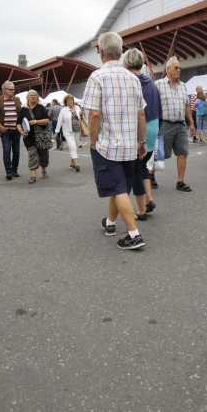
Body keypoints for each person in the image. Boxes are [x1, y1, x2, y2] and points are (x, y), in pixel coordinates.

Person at [83, 32, 147, 250]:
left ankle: (134, 234)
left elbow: (94, 114)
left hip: (107, 145)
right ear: (120, 51)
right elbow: (141, 114)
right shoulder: (133, 78)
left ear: (101, 52)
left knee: (118, 188)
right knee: (120, 186)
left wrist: (93, 141)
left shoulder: (97, 77)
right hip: (129, 145)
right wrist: (141, 141)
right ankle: (110, 223)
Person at [123, 49, 161, 219]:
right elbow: (159, 108)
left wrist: (140, 139)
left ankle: (141, 210)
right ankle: (149, 199)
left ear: (126, 63)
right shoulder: (151, 83)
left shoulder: (131, 82)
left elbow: (136, 112)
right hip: (154, 127)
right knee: (143, 165)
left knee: (135, 171)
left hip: (141, 129)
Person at [155, 56, 195, 192]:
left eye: (180, 68)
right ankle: (151, 176)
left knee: (182, 152)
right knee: (160, 154)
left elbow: (187, 106)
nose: (179, 70)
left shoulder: (183, 86)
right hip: (165, 124)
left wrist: (191, 123)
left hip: (181, 125)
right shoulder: (158, 84)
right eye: (176, 68)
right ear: (168, 70)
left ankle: (180, 182)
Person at [16, 90, 51, 183]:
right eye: (31, 95)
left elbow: (47, 120)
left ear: (38, 97)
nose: (33, 96)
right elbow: (18, 123)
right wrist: (21, 131)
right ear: (27, 97)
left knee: (43, 155)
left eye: (35, 95)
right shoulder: (23, 110)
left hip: (42, 136)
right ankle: (33, 175)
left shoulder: (41, 108)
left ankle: (43, 168)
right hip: (29, 137)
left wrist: (36, 121)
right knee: (32, 155)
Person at [0, 81, 21, 180]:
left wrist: (21, 127)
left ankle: (14, 170)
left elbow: (20, 114)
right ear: (4, 90)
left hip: (16, 130)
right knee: (7, 151)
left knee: (16, 152)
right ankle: (8, 172)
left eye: (13, 89)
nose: (13, 91)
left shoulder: (17, 100)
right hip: (5, 131)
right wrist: (0, 127)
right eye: (10, 89)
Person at [54, 94, 82, 172]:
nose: (70, 102)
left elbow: (81, 117)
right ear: (65, 102)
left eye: (71, 100)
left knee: (75, 146)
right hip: (68, 132)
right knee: (72, 146)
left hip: (77, 130)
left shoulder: (77, 108)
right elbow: (59, 121)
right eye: (68, 101)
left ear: (73, 101)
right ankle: (76, 164)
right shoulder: (63, 110)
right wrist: (56, 131)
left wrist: (81, 115)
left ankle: (72, 163)